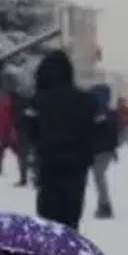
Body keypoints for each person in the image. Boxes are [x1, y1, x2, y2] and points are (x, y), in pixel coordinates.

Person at [22, 51, 105, 230]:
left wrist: (40, 145)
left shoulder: (38, 100)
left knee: (48, 218)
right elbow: (99, 128)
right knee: (71, 216)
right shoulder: (85, 100)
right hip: (77, 165)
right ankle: (70, 250)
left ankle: (50, 253)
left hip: (49, 164)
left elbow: (28, 129)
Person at [87, 84, 119, 219]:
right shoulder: (110, 113)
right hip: (103, 150)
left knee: (99, 177)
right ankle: (104, 204)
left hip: (99, 150)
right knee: (99, 177)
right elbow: (113, 134)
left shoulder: (98, 113)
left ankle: (105, 206)